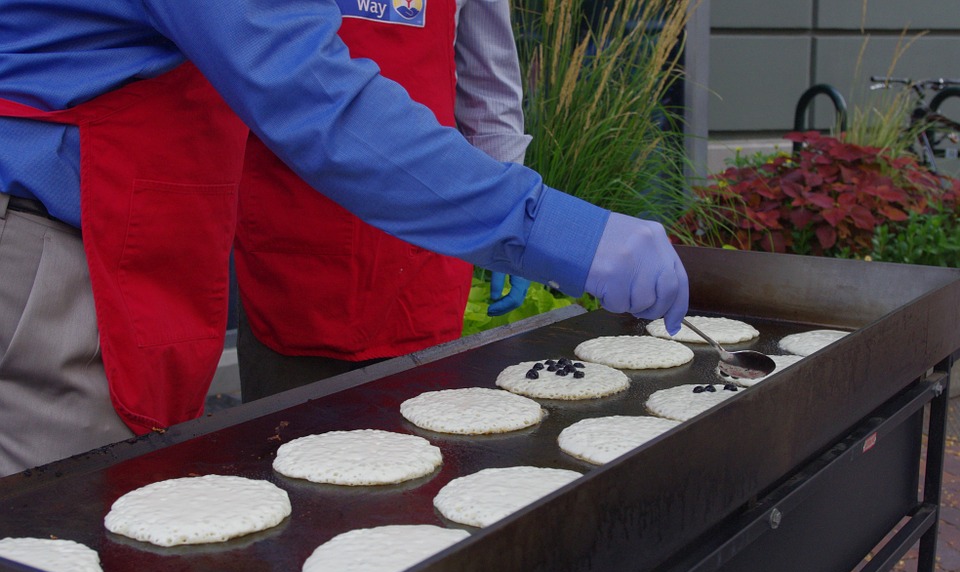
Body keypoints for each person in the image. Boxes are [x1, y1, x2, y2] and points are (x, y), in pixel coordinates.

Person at [0, 0, 688, 476]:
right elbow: (311, 92)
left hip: (412, 259)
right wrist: (555, 227)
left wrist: (516, 193)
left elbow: (484, 85)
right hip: (61, 263)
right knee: (66, 564)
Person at [235, 0, 532, 401]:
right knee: (282, 444)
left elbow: (488, 92)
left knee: (426, 440)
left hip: (423, 253)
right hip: (292, 243)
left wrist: (512, 211)